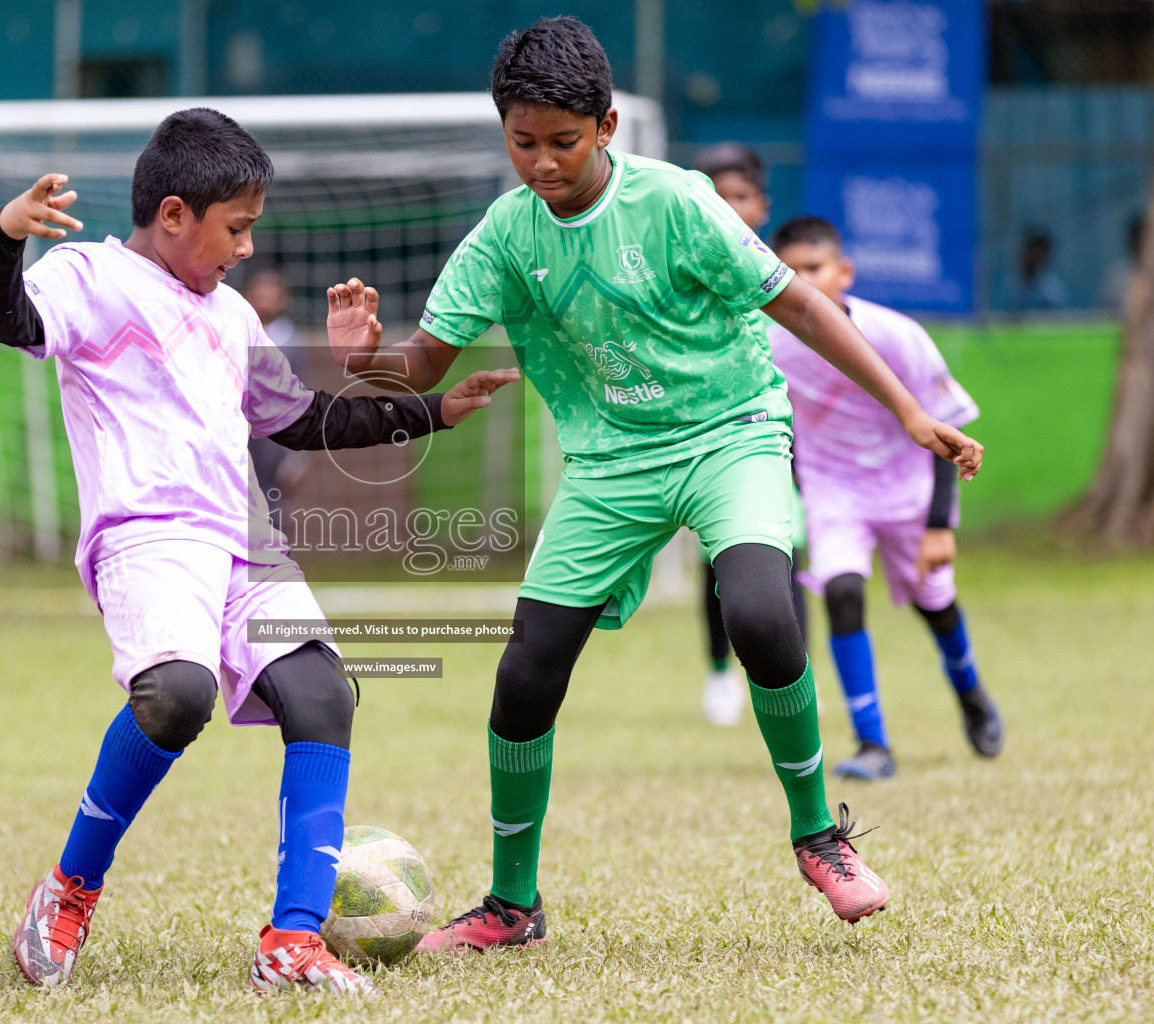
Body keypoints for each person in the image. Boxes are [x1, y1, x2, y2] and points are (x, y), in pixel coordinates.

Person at [326, 17, 983, 950]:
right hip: (609, 467)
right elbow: (423, 364)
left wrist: (908, 412)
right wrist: (367, 363)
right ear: (503, 132)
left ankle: (818, 836)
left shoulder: (677, 203)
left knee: (760, 614)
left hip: (732, 432)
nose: (543, 163)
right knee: (523, 678)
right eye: (523, 142)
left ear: (606, 127)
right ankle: (514, 905)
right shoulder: (505, 237)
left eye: (563, 141)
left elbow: (796, 303)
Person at [0, 108, 519, 994]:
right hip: (149, 536)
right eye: (238, 227)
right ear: (177, 213)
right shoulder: (92, 275)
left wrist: (432, 409)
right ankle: (68, 892)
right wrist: (4, 239)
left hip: (244, 541)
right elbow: (6, 321)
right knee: (176, 696)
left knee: (321, 692)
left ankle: (290, 942)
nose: (245, 247)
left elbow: (300, 419)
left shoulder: (228, 313)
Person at [766, 216, 1004, 780]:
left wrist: (939, 524)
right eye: (790, 271)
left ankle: (971, 695)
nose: (802, 281)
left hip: (907, 495)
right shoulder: (772, 342)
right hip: (834, 495)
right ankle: (873, 742)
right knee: (843, 592)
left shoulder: (896, 334)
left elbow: (945, 427)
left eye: (814, 269)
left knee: (936, 607)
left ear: (844, 272)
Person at [691, 142, 810, 727]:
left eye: (738, 197)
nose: (727, 208)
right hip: (718, 448)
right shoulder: (691, 285)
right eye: (714, 197)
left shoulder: (787, 285)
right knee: (716, 569)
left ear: (761, 206)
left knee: (788, 565)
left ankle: (793, 677)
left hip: (789, 450)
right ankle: (719, 674)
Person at [243, 269, 310, 520]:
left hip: (275, 445)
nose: (265, 298)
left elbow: (304, 394)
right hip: (240, 440)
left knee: (273, 513)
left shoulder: (293, 342)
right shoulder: (237, 333)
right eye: (259, 292)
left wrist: (298, 458)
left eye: (272, 292)